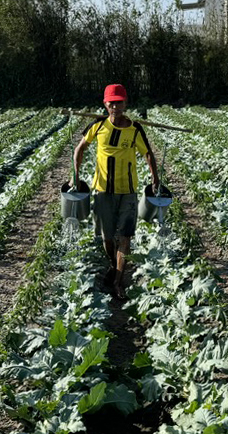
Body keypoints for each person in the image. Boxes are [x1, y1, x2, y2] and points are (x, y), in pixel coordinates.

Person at [73, 83, 160, 300]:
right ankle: (113, 265)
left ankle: (118, 281)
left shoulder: (134, 129)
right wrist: (75, 174)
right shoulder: (98, 126)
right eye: (111, 102)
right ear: (105, 104)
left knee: (125, 238)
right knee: (107, 238)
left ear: (125, 103)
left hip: (127, 191)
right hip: (102, 191)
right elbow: (80, 149)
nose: (115, 106)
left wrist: (155, 177)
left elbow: (148, 154)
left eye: (119, 102)